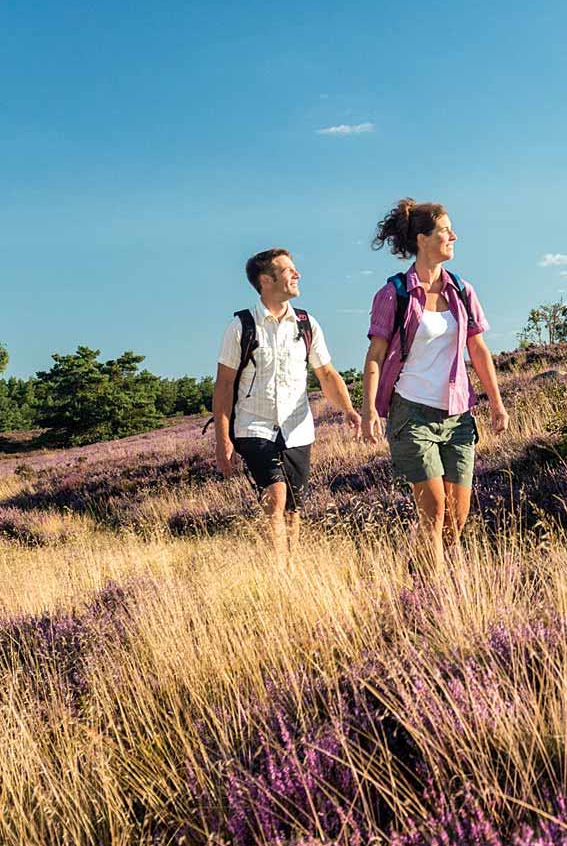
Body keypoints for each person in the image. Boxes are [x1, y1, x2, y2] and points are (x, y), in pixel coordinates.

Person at [359, 199, 509, 581]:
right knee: (434, 509)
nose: (453, 236)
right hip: (412, 414)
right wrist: (369, 410)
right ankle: (434, 594)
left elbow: (477, 348)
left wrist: (496, 402)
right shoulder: (395, 293)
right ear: (424, 239)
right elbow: (375, 354)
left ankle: (416, 574)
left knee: (456, 518)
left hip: (458, 415)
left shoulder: (461, 289)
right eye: (446, 230)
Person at [212, 247, 361, 556]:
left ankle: (289, 566)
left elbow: (326, 373)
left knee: (293, 506)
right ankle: (276, 567)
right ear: (266, 280)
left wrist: (348, 409)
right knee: (276, 494)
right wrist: (222, 438)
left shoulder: (306, 324)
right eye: (289, 270)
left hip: (297, 429)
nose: (297, 274)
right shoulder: (241, 327)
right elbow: (224, 386)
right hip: (253, 425)